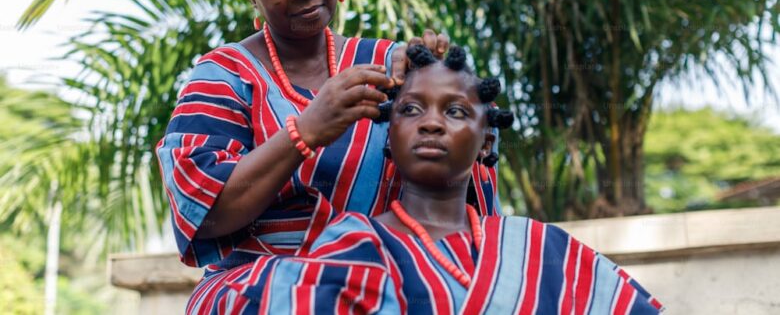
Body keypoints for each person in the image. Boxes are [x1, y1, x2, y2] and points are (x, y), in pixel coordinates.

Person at [155, 0, 502, 313]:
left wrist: (441, 90)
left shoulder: (388, 65)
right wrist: (306, 131)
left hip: (385, 280)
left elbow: (458, 185)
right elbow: (204, 212)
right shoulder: (225, 75)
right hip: (259, 287)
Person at [214, 45, 665, 314]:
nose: (431, 123)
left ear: (487, 142)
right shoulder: (351, 247)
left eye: (455, 111)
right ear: (387, 138)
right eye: (411, 109)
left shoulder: (542, 250)